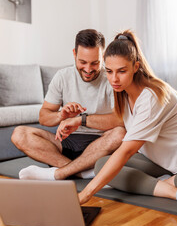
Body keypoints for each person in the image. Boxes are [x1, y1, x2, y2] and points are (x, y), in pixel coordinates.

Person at [60, 30, 177, 209]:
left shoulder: (152, 95)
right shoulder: (123, 93)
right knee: (102, 165)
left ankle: (170, 183)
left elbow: (126, 151)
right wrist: (78, 121)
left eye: (121, 71)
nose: (114, 79)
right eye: (109, 71)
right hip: (163, 164)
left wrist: (85, 194)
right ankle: (176, 192)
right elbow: (116, 119)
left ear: (135, 67)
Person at [11, 29, 126, 181]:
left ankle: (63, 172)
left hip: (99, 144)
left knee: (120, 133)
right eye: (82, 62)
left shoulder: (112, 78)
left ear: (103, 57)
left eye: (95, 63)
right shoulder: (62, 77)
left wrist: (81, 119)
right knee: (19, 134)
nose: (88, 69)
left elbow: (120, 120)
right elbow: (44, 118)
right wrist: (61, 115)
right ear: (74, 54)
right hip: (66, 144)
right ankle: (80, 172)